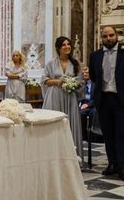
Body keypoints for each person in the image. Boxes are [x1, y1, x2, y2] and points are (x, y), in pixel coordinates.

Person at [89, 26, 124, 178]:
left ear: (117, 36)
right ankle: (112, 164)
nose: (108, 38)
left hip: (121, 100)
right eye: (105, 36)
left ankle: (123, 166)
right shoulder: (95, 56)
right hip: (103, 99)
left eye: (111, 35)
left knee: (121, 134)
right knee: (108, 134)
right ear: (101, 38)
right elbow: (93, 76)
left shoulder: (123, 54)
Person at [41, 36, 84, 157]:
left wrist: (73, 84)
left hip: (70, 99)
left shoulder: (76, 63)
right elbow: (44, 81)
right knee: (55, 125)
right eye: (64, 45)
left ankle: (72, 156)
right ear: (58, 48)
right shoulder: (51, 63)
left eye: (68, 44)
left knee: (70, 125)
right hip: (54, 97)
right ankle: (53, 156)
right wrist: (57, 82)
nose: (67, 47)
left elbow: (81, 81)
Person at [79, 66, 95, 141]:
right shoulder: (81, 84)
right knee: (81, 113)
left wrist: (88, 105)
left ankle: (93, 136)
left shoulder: (95, 83)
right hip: (84, 104)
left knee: (93, 113)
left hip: (93, 105)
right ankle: (83, 136)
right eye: (84, 73)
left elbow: (97, 97)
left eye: (87, 73)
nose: (85, 74)